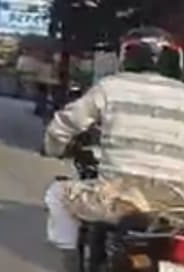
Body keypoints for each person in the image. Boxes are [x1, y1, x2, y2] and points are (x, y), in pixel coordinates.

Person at [42, 33, 184, 267]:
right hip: (175, 205)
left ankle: (69, 262)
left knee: (57, 194)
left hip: (118, 198)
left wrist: (53, 146)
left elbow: (65, 124)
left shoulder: (111, 87)